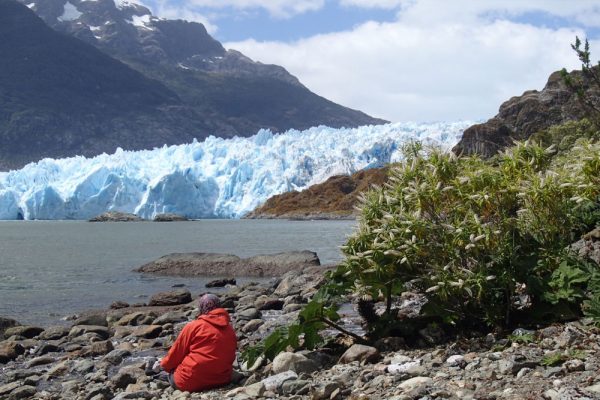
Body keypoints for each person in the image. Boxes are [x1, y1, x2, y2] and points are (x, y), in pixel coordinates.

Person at [157, 293, 237, 392]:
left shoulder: (194, 326)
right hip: (221, 379)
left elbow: (176, 354)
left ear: (201, 308)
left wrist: (164, 366)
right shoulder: (229, 329)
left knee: (168, 373)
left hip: (189, 382)